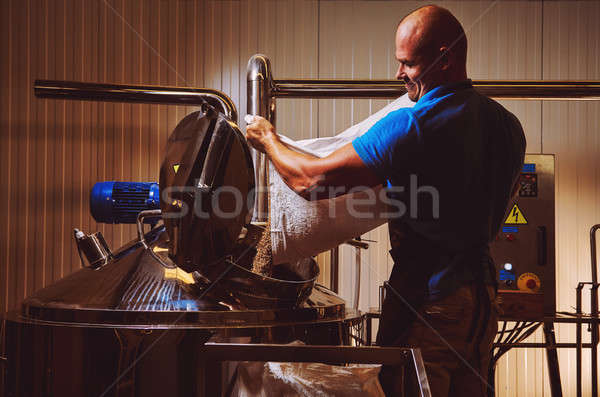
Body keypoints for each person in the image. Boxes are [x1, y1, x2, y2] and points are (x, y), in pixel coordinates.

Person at [246, 5, 525, 397]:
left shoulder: (413, 125)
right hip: (480, 300)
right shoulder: (507, 124)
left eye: (408, 63)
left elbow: (308, 180)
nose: (399, 74)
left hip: (430, 302)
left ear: (444, 59)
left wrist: (267, 139)